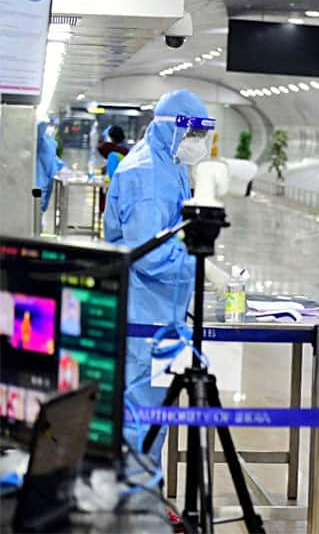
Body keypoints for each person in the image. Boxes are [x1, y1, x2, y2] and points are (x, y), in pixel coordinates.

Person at [103, 89, 212, 465]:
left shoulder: (169, 165)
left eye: (202, 135)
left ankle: (145, 493)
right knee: (141, 408)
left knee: (154, 407)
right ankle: (136, 504)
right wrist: (200, 264)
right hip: (142, 310)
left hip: (162, 308)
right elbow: (148, 253)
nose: (197, 143)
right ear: (171, 130)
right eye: (192, 134)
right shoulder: (147, 175)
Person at [34, 121, 62, 214]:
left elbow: (53, 158)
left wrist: (63, 167)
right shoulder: (40, 141)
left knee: (40, 211)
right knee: (35, 212)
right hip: (39, 183)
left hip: (47, 183)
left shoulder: (51, 142)